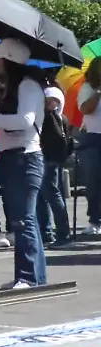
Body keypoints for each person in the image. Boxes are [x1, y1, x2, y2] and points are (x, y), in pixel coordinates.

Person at [0, 38, 48, 289]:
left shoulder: (27, 86)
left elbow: (25, 121)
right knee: (24, 220)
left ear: (8, 61)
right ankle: (31, 276)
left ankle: (28, 277)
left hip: (25, 157)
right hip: (14, 157)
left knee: (24, 220)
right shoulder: (14, 86)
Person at [40, 85, 73, 248]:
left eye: (54, 100)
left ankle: (62, 234)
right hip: (55, 160)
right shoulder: (62, 118)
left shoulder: (49, 117)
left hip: (48, 159)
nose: (51, 103)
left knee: (52, 195)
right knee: (48, 195)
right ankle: (47, 233)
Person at [77, 58, 101, 235]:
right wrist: (98, 92)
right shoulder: (87, 89)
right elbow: (85, 109)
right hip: (93, 139)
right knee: (93, 182)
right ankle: (95, 220)